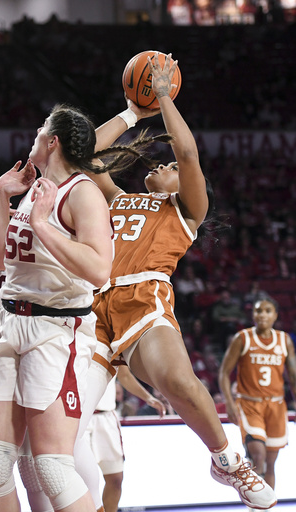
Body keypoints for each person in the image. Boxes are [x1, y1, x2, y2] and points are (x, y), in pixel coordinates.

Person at [87, 52, 277, 511]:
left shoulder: (186, 210)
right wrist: (133, 112)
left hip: (142, 299)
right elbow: (87, 155)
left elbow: (187, 152)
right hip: (88, 308)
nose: (163, 166)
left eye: (169, 169)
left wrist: (165, 97)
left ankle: (227, 460)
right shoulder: (120, 198)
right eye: (164, 166)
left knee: (179, 380)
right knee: (63, 428)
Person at [0, 103, 117, 512]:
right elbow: (2, 259)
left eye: (40, 130)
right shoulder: (35, 191)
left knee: (52, 466)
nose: (34, 133)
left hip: (55, 330)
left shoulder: (83, 192)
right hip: (7, 321)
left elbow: (99, 270)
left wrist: (40, 225)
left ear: (52, 141)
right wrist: (1, 196)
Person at [218, 297, 296, 512]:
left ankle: (266, 507)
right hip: (249, 404)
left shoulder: (284, 340)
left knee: (271, 462)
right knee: (257, 455)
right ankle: (254, 506)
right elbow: (224, 373)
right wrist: (230, 403)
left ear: (275, 315)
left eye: (267, 311)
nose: (262, 315)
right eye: (258, 311)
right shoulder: (242, 338)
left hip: (276, 407)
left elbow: (293, 374)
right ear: (253, 315)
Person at [84, 365, 165, 512]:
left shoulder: (114, 342)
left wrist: (148, 398)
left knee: (115, 479)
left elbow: (125, 376)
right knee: (84, 481)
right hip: (80, 416)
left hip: (107, 416)